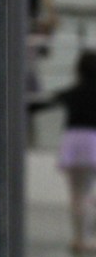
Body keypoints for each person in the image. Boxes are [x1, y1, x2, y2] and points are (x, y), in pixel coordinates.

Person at [32, 50, 96, 255]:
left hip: (73, 141)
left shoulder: (73, 92)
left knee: (77, 195)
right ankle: (85, 238)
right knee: (85, 194)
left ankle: (80, 238)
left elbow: (43, 103)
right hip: (92, 141)